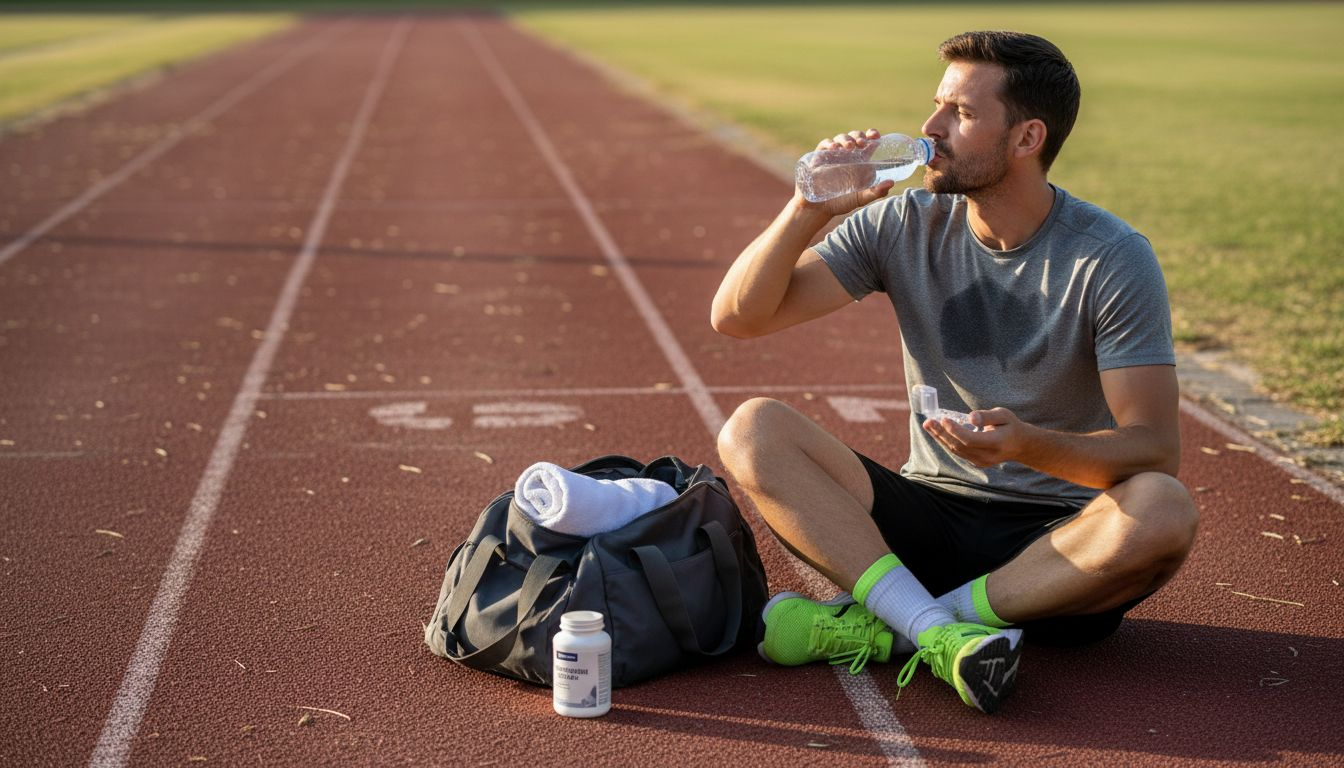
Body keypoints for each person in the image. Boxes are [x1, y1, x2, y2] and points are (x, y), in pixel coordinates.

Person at [710, 30, 1198, 714]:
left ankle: (903, 626)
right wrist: (806, 210)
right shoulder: (904, 222)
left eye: (960, 115)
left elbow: (1154, 449)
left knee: (1163, 508)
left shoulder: (1111, 259)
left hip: (1055, 550)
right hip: (928, 516)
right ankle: (937, 633)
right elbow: (738, 317)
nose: (930, 129)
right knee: (753, 428)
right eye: (937, 106)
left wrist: (1026, 445)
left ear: (1027, 138)